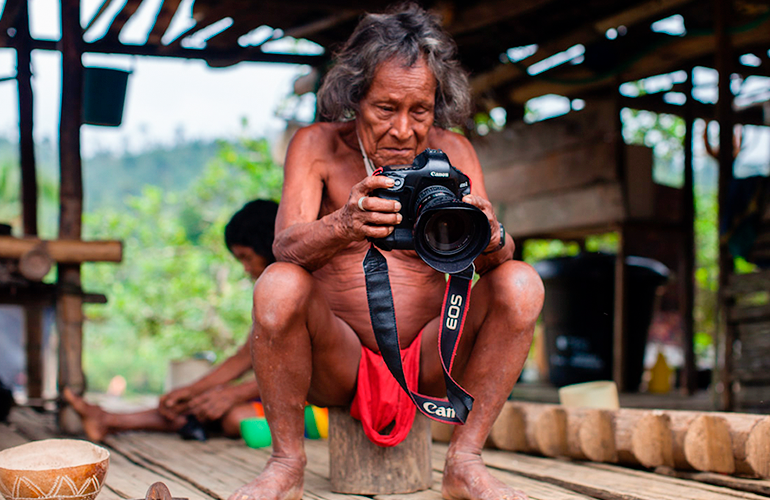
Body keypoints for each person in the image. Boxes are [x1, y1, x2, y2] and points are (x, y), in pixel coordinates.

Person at [229, 4, 544, 500]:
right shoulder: (316, 146)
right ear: (355, 97)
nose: (403, 129)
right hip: (339, 360)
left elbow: (492, 265)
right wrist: (344, 224)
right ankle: (285, 464)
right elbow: (284, 246)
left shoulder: (454, 152)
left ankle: (464, 463)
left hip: (433, 358)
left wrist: (490, 233)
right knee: (278, 283)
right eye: (385, 109)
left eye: (419, 110)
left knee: (522, 282)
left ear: (437, 103)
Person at [64, 199, 279, 443]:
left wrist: (234, 393)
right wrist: (192, 391)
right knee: (206, 403)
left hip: (315, 402)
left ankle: (109, 420)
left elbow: (306, 375)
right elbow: (246, 356)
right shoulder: (270, 290)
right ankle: (108, 420)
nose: (246, 268)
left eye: (247, 257)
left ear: (267, 247)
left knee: (235, 417)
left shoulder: (301, 286)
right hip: (278, 392)